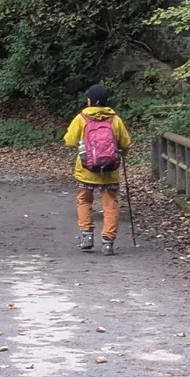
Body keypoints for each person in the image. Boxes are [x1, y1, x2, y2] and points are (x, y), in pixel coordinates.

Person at [63, 85, 133, 253]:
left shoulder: (81, 118)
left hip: (86, 169)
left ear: (89, 100)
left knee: (85, 200)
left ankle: (87, 235)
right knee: (110, 205)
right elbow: (126, 143)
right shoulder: (115, 119)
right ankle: (108, 241)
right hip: (110, 170)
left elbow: (70, 140)